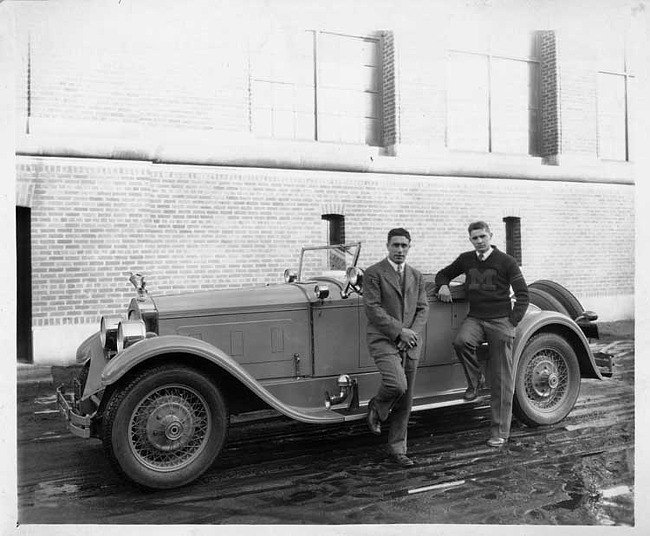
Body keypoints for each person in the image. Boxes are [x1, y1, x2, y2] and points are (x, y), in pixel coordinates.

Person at [435, 221, 529, 448]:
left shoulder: (507, 262)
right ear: (470, 240)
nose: (479, 241)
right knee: (461, 341)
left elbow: (523, 294)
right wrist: (443, 285)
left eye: (482, 237)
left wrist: (512, 322)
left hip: (500, 321)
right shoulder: (466, 259)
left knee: (502, 378)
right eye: (475, 238)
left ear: (490, 236)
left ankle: (500, 433)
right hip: (476, 318)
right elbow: (443, 274)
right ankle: (475, 382)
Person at [365, 228, 430, 467]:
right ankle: (377, 406)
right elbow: (373, 309)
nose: (400, 250)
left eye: (404, 245)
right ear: (387, 246)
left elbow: (423, 308)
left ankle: (398, 450)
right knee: (397, 384)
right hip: (383, 338)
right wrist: (398, 331)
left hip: (410, 342)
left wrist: (410, 334)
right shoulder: (374, 273)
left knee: (406, 399)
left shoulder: (417, 275)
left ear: (409, 246)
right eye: (396, 245)